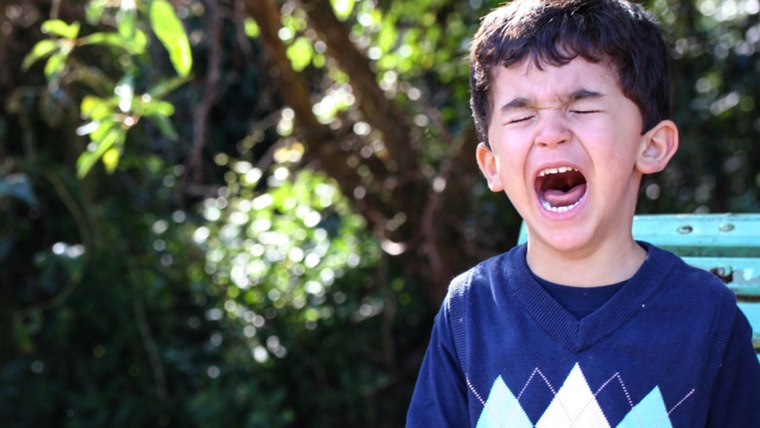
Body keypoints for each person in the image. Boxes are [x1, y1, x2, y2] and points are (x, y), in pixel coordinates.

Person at [406, 0, 760, 426]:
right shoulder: (469, 311)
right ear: (492, 165)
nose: (551, 134)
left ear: (651, 146)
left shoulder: (708, 317)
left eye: (583, 107)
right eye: (522, 115)